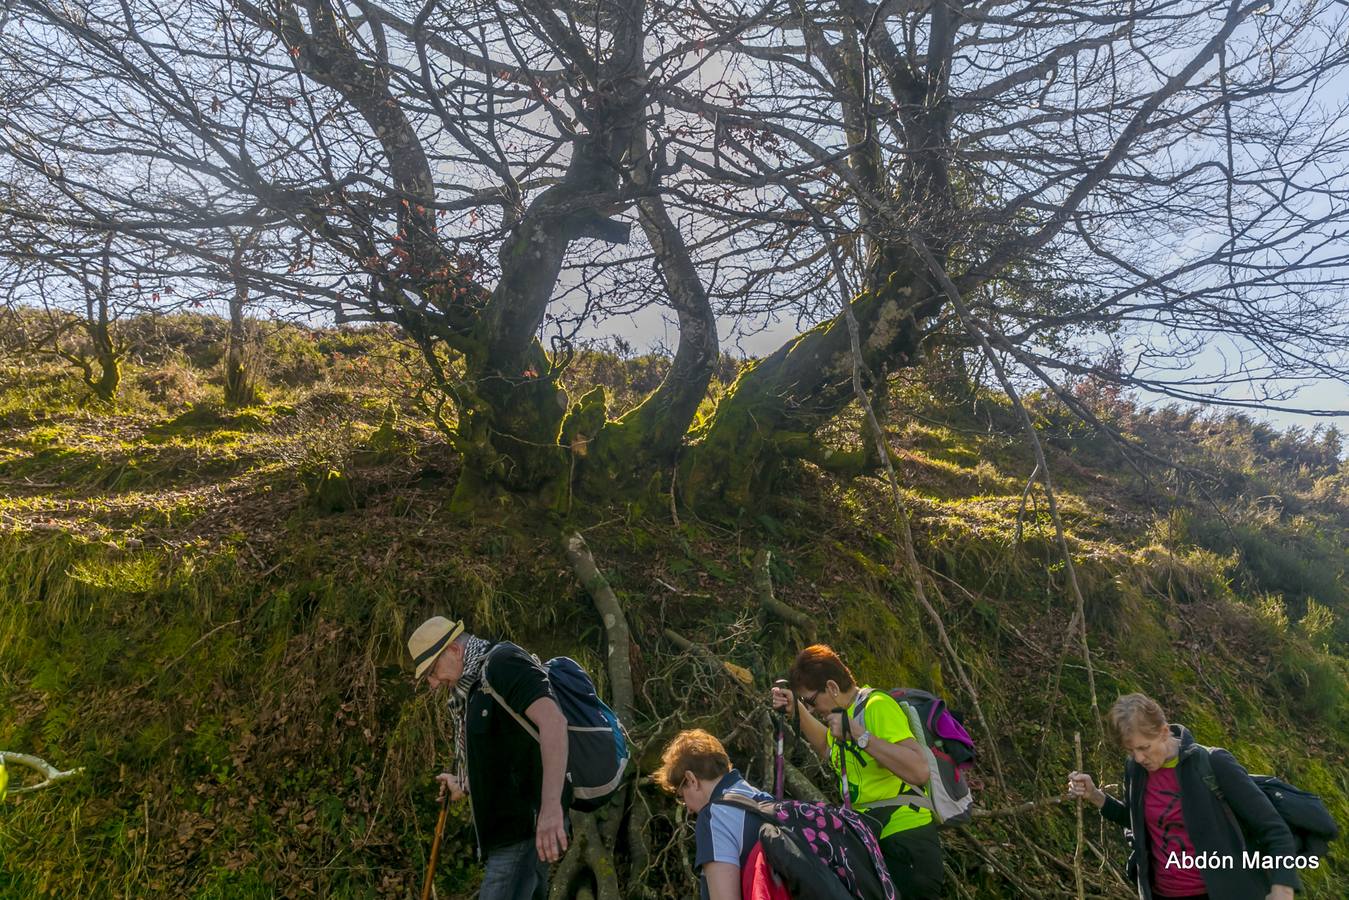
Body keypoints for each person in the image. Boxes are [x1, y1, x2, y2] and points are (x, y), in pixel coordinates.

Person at [1068, 692, 1301, 900]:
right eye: (1131, 751)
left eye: (1144, 748)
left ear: (1163, 732)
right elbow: (1139, 823)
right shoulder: (1136, 770)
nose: (1138, 758)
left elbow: (1273, 828)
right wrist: (1096, 796)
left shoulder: (1213, 763)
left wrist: (1283, 887)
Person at [408, 616, 570, 900]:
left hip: (524, 828)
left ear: (454, 651)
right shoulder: (472, 686)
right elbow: (503, 757)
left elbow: (554, 723)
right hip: (510, 834)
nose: (433, 684)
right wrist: (464, 783)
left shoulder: (502, 664)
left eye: (432, 671)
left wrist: (551, 807)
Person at [772, 644, 943, 899]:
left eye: (810, 700)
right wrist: (796, 709)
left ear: (831, 687)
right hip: (874, 844)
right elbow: (826, 747)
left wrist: (860, 735)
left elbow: (918, 770)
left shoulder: (876, 705)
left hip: (907, 843)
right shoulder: (845, 717)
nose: (812, 708)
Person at [654, 728, 777, 900]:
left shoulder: (714, 817)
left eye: (682, 797)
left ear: (691, 779)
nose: (688, 808)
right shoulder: (765, 800)